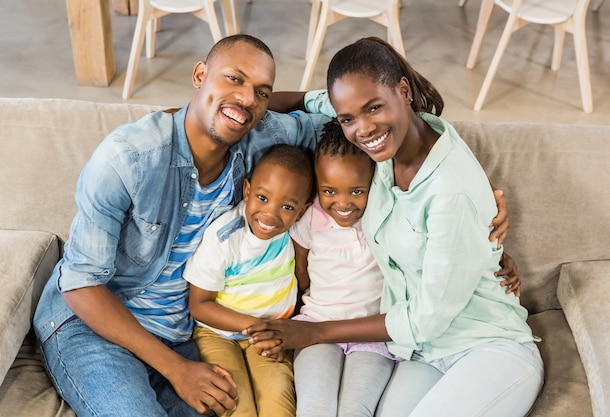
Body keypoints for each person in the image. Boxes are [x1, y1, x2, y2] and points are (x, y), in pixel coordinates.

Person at [32, 34, 332, 417]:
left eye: (261, 92)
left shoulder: (263, 139)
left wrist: (410, 115)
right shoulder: (128, 158)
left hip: (182, 333)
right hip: (92, 326)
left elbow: (343, 123)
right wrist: (176, 369)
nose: (246, 100)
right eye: (234, 79)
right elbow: (81, 283)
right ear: (200, 74)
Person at [245, 37, 543, 417]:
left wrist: (316, 332)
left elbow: (425, 318)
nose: (363, 129)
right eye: (348, 118)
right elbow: (308, 100)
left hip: (488, 348)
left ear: (403, 90)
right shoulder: (381, 155)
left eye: (373, 108)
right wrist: (204, 112)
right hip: (422, 353)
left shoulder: (448, 190)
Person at [184, 144, 314, 417]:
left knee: (278, 400)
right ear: (247, 191)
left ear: (301, 212)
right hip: (218, 334)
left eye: (287, 206)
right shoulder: (224, 236)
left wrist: (277, 331)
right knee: (235, 401)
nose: (270, 214)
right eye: (263, 198)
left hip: (271, 335)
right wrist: (256, 326)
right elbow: (199, 305)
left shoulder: (297, 233)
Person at [289, 120, 396, 417]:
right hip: (316, 324)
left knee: (355, 411)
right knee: (315, 407)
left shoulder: (386, 216)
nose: (343, 203)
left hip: (373, 335)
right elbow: (300, 271)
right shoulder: (309, 218)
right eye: (330, 191)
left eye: (357, 191)